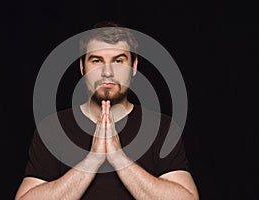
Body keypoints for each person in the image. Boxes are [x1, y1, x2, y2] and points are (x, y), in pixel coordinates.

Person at [15, 21, 199, 200]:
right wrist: (92, 160)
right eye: (96, 60)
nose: (108, 72)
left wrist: (119, 159)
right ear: (82, 67)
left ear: (134, 67)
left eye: (119, 60)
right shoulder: (53, 128)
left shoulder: (161, 128)